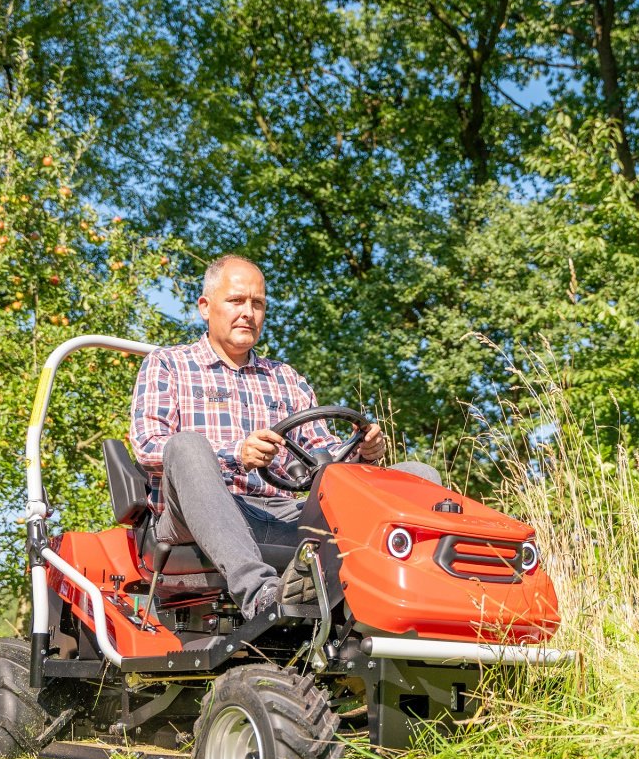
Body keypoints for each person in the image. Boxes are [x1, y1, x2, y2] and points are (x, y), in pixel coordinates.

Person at [129, 255, 440, 618]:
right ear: (205, 306)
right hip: (197, 514)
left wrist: (363, 453)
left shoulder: (286, 378)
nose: (248, 312)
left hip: (284, 513)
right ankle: (260, 594)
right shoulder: (168, 364)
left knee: (419, 478)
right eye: (236, 301)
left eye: (257, 303)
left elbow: (323, 459)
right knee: (187, 445)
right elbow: (148, 445)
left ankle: (414, 603)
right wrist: (235, 453)